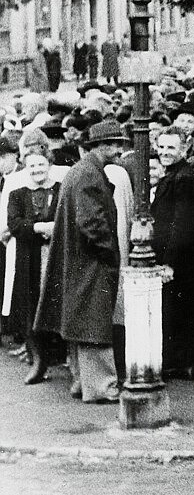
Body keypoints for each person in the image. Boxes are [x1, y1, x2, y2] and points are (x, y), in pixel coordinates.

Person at [32, 119, 130, 404]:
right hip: (90, 262)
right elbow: (91, 222)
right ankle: (101, 387)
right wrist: (110, 253)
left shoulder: (81, 170)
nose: (119, 149)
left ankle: (81, 381)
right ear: (102, 146)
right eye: (115, 144)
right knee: (93, 322)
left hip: (76, 261)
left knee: (79, 322)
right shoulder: (89, 174)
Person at [151, 128, 194, 379]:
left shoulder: (183, 178)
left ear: (184, 150)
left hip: (178, 257)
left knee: (179, 310)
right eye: (161, 147)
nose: (164, 152)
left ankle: (184, 362)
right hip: (175, 254)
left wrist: (170, 263)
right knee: (176, 310)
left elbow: (182, 222)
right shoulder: (175, 175)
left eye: (170, 148)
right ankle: (182, 361)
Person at [6, 148, 60, 384]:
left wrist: (54, 228)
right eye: (32, 166)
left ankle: (62, 357)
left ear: (49, 164)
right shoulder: (18, 194)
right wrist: (39, 228)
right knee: (31, 308)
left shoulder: (60, 189)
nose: (37, 170)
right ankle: (38, 361)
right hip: (29, 259)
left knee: (57, 303)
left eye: (41, 164)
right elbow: (15, 224)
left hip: (56, 257)